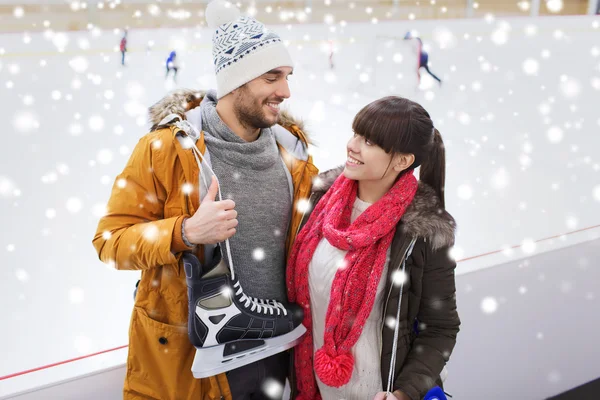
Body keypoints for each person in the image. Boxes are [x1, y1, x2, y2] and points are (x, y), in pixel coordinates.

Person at [92, 1, 318, 399]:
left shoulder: (292, 154)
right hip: (197, 358)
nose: (285, 91)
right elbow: (111, 243)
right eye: (271, 77)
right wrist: (185, 231)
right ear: (236, 81)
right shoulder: (167, 150)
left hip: (279, 346)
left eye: (287, 76)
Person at [287, 96, 460, 400]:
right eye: (355, 133)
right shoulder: (319, 202)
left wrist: (404, 393)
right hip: (312, 388)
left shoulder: (424, 232)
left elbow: (440, 329)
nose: (352, 145)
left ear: (402, 161)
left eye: (368, 141)